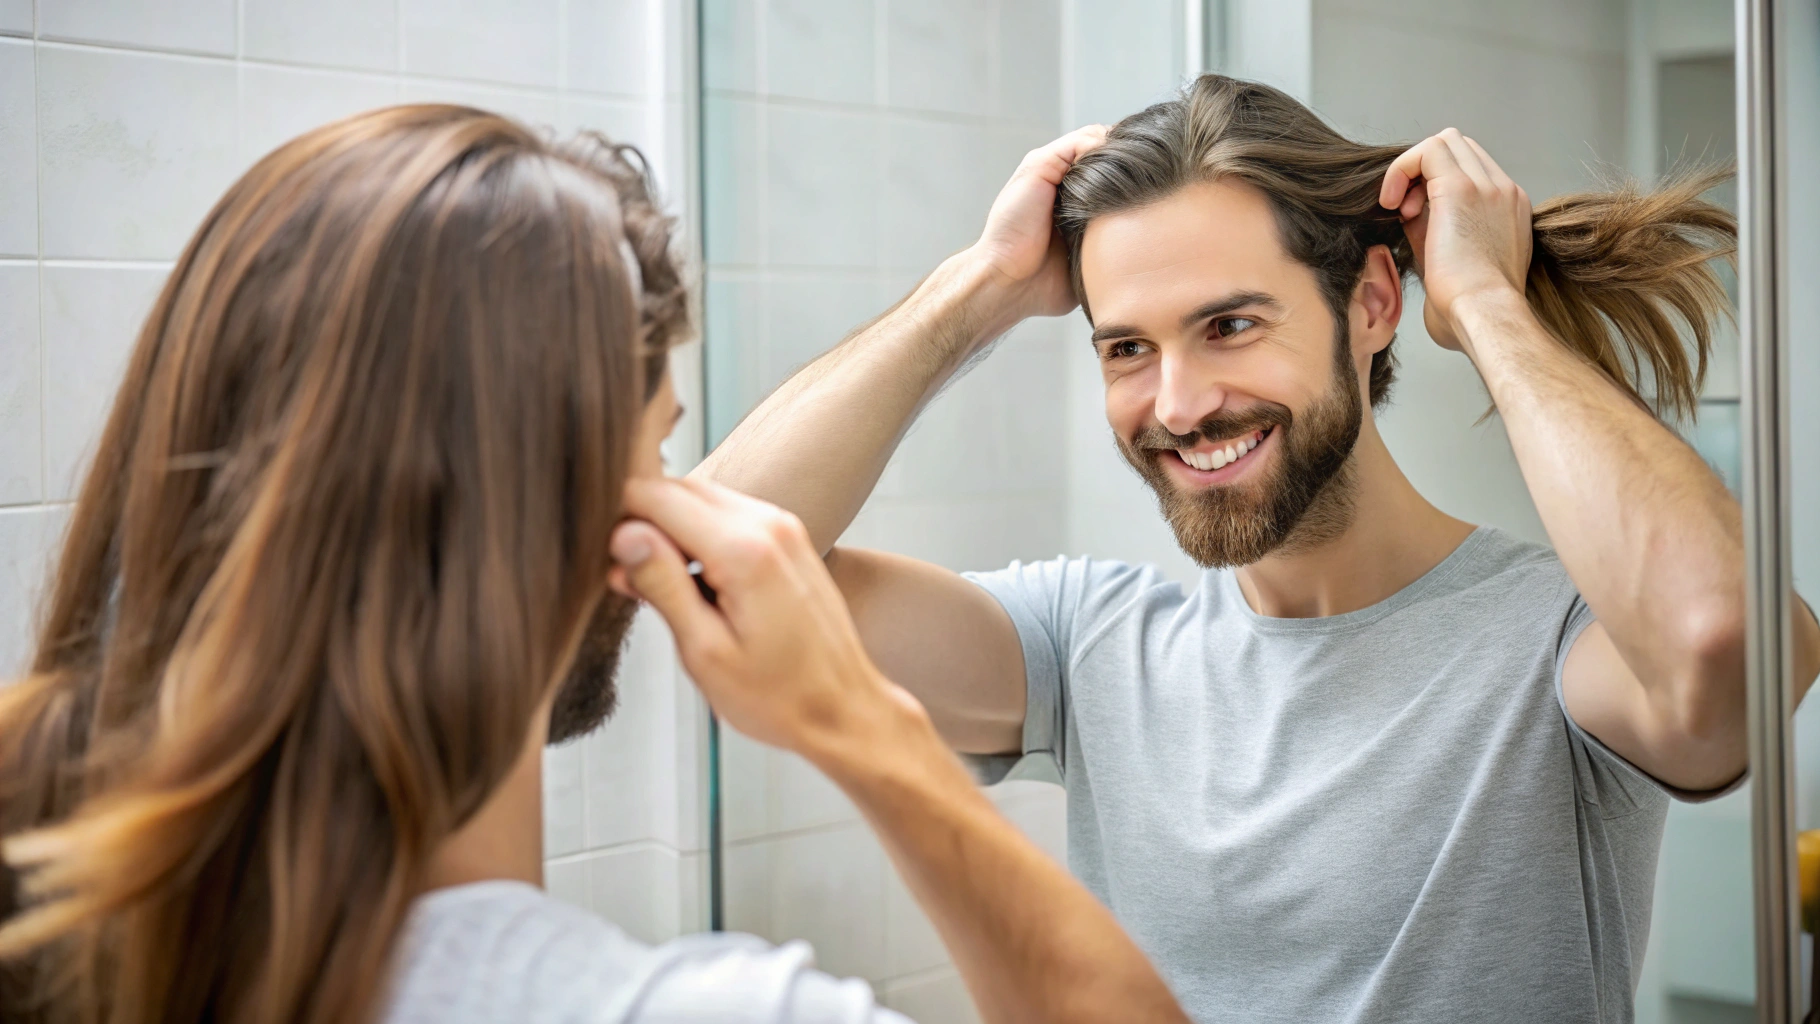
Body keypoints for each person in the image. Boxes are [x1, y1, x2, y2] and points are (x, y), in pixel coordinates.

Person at [0, 105, 1191, 1024]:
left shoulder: (62, 916)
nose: (690, 508)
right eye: (660, 452)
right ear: (570, 519)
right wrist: (862, 731)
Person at [696, 73, 1820, 1022]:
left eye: (1229, 324)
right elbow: (714, 561)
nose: (1177, 403)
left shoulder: (1556, 645)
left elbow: (1721, 639)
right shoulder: (1087, 646)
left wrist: (1481, 300)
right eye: (1126, 347)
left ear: (1372, 300)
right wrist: (976, 290)